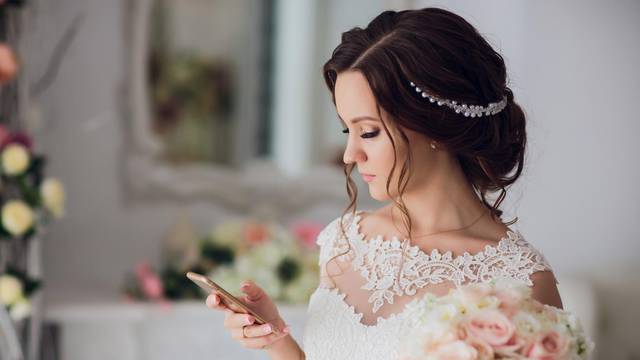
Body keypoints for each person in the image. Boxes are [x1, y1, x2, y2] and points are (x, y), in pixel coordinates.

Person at [205, 7, 563, 359]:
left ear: (433, 125)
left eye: (369, 132)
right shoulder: (344, 241)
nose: (349, 155)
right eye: (349, 130)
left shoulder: (521, 280)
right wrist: (275, 340)